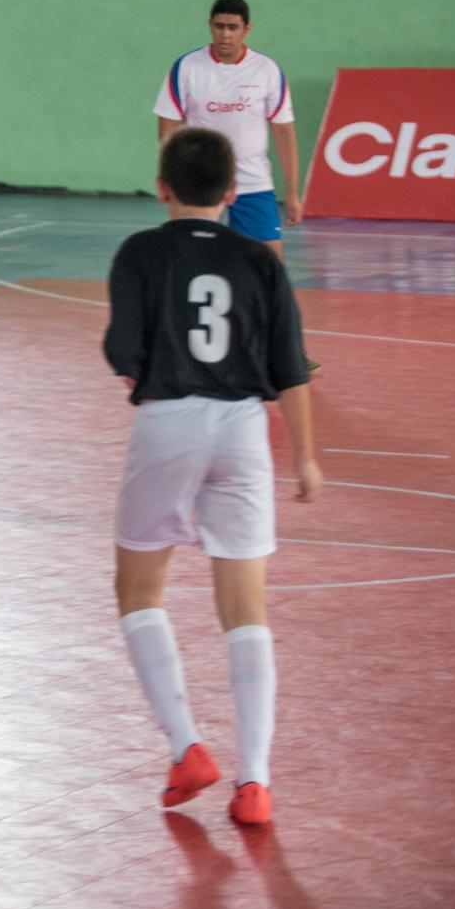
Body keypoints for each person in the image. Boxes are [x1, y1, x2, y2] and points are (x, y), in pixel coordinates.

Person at [104, 127, 324, 828]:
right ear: (233, 192)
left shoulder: (139, 252)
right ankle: (255, 783)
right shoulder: (259, 261)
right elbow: (291, 366)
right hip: (242, 430)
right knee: (246, 608)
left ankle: (186, 747)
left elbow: (123, 350)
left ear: (162, 185)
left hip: (168, 417)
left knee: (139, 589)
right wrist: (307, 457)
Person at [154, 0, 302, 264]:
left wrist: (292, 193)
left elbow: (284, 132)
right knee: (193, 260)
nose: (225, 35)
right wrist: (173, 179)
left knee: (268, 263)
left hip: (252, 179)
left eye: (232, 28)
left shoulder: (267, 71)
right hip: (200, 181)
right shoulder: (185, 68)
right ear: (210, 25)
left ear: (247, 29)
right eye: (219, 26)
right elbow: (168, 128)